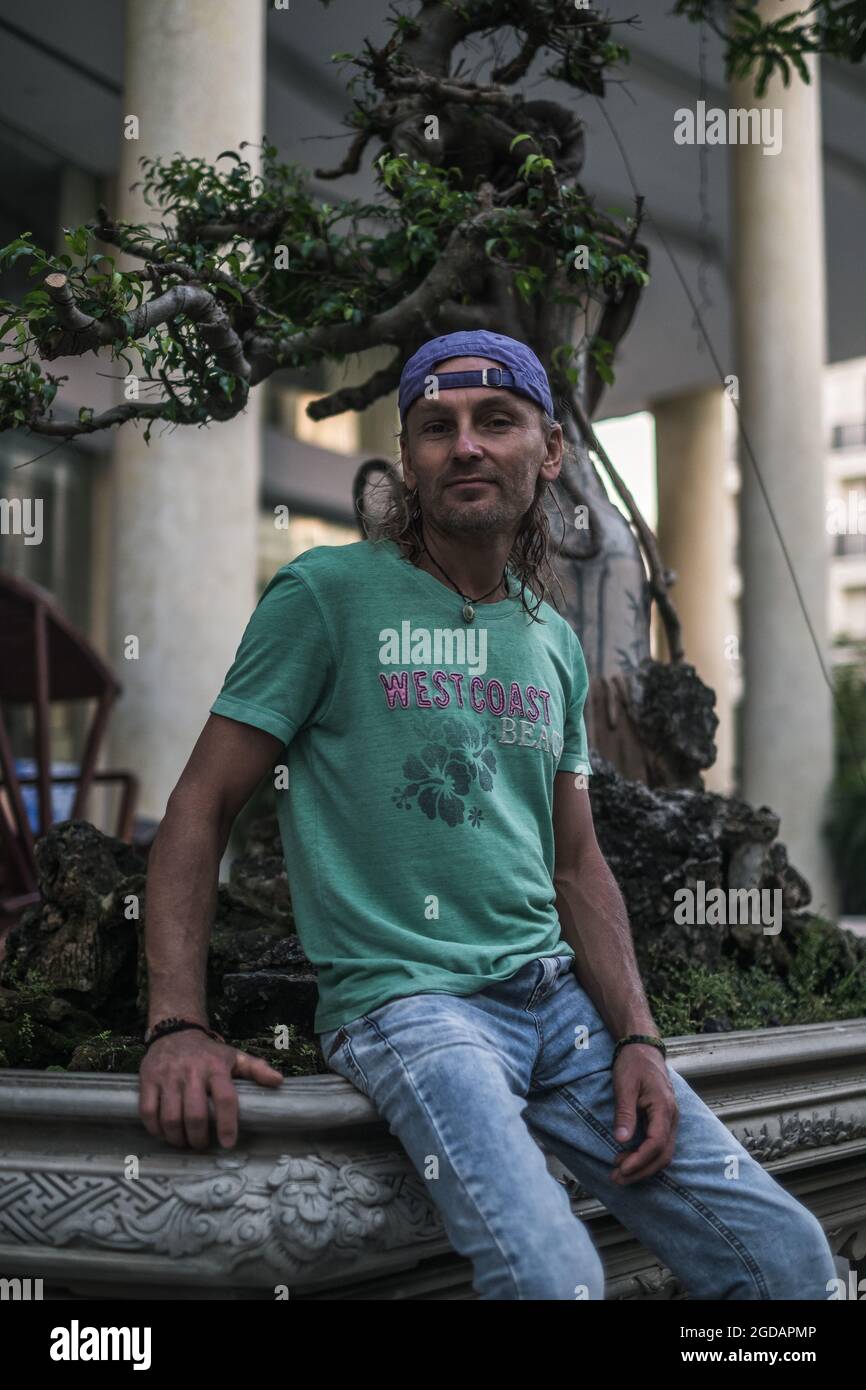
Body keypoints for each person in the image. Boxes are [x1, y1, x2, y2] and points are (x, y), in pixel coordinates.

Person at [138, 329, 837, 1300]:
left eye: (494, 420)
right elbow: (198, 804)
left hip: (558, 1008)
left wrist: (635, 1036)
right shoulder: (325, 595)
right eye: (436, 427)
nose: (464, 445)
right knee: (555, 1278)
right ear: (409, 460)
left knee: (788, 1260)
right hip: (412, 1008)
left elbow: (575, 862)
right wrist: (175, 1022)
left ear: (547, 451)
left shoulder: (547, 638)